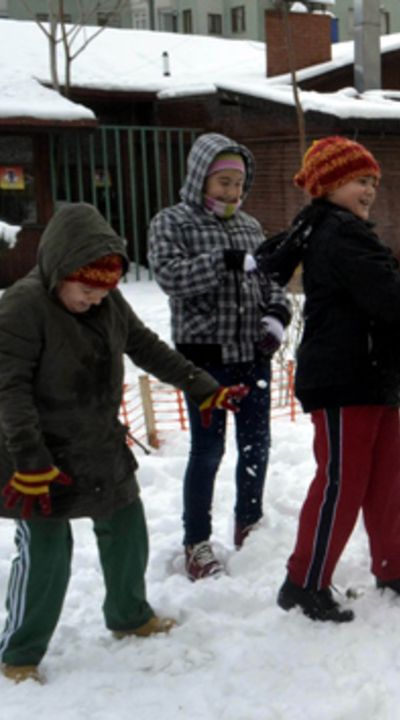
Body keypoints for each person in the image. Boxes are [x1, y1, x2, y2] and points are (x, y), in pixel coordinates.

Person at [0, 204, 246, 684]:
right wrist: (29, 461)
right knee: (47, 552)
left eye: (103, 291)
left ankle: (130, 615)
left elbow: (146, 346)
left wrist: (202, 385)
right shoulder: (22, 307)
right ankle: (20, 652)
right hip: (36, 453)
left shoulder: (108, 302)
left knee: (127, 530)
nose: (94, 300)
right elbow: (8, 390)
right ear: (59, 270)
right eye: (86, 289)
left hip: (98, 443)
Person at [276, 136, 400, 623]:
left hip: (370, 374)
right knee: (341, 483)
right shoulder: (336, 232)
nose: (368, 190)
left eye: (372, 182)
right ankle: (304, 582)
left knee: (385, 479)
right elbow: (382, 291)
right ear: (327, 184)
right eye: (358, 180)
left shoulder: (346, 230)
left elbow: (371, 306)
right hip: (342, 379)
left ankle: (394, 566)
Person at [149, 132, 292, 580]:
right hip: (204, 360)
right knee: (208, 450)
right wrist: (222, 261)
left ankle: (249, 523)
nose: (232, 192)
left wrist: (275, 317)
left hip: (252, 354)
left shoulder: (251, 226)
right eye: (223, 182)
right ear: (199, 179)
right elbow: (170, 277)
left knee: (257, 444)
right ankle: (197, 540)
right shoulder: (171, 222)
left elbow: (272, 281)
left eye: (238, 183)